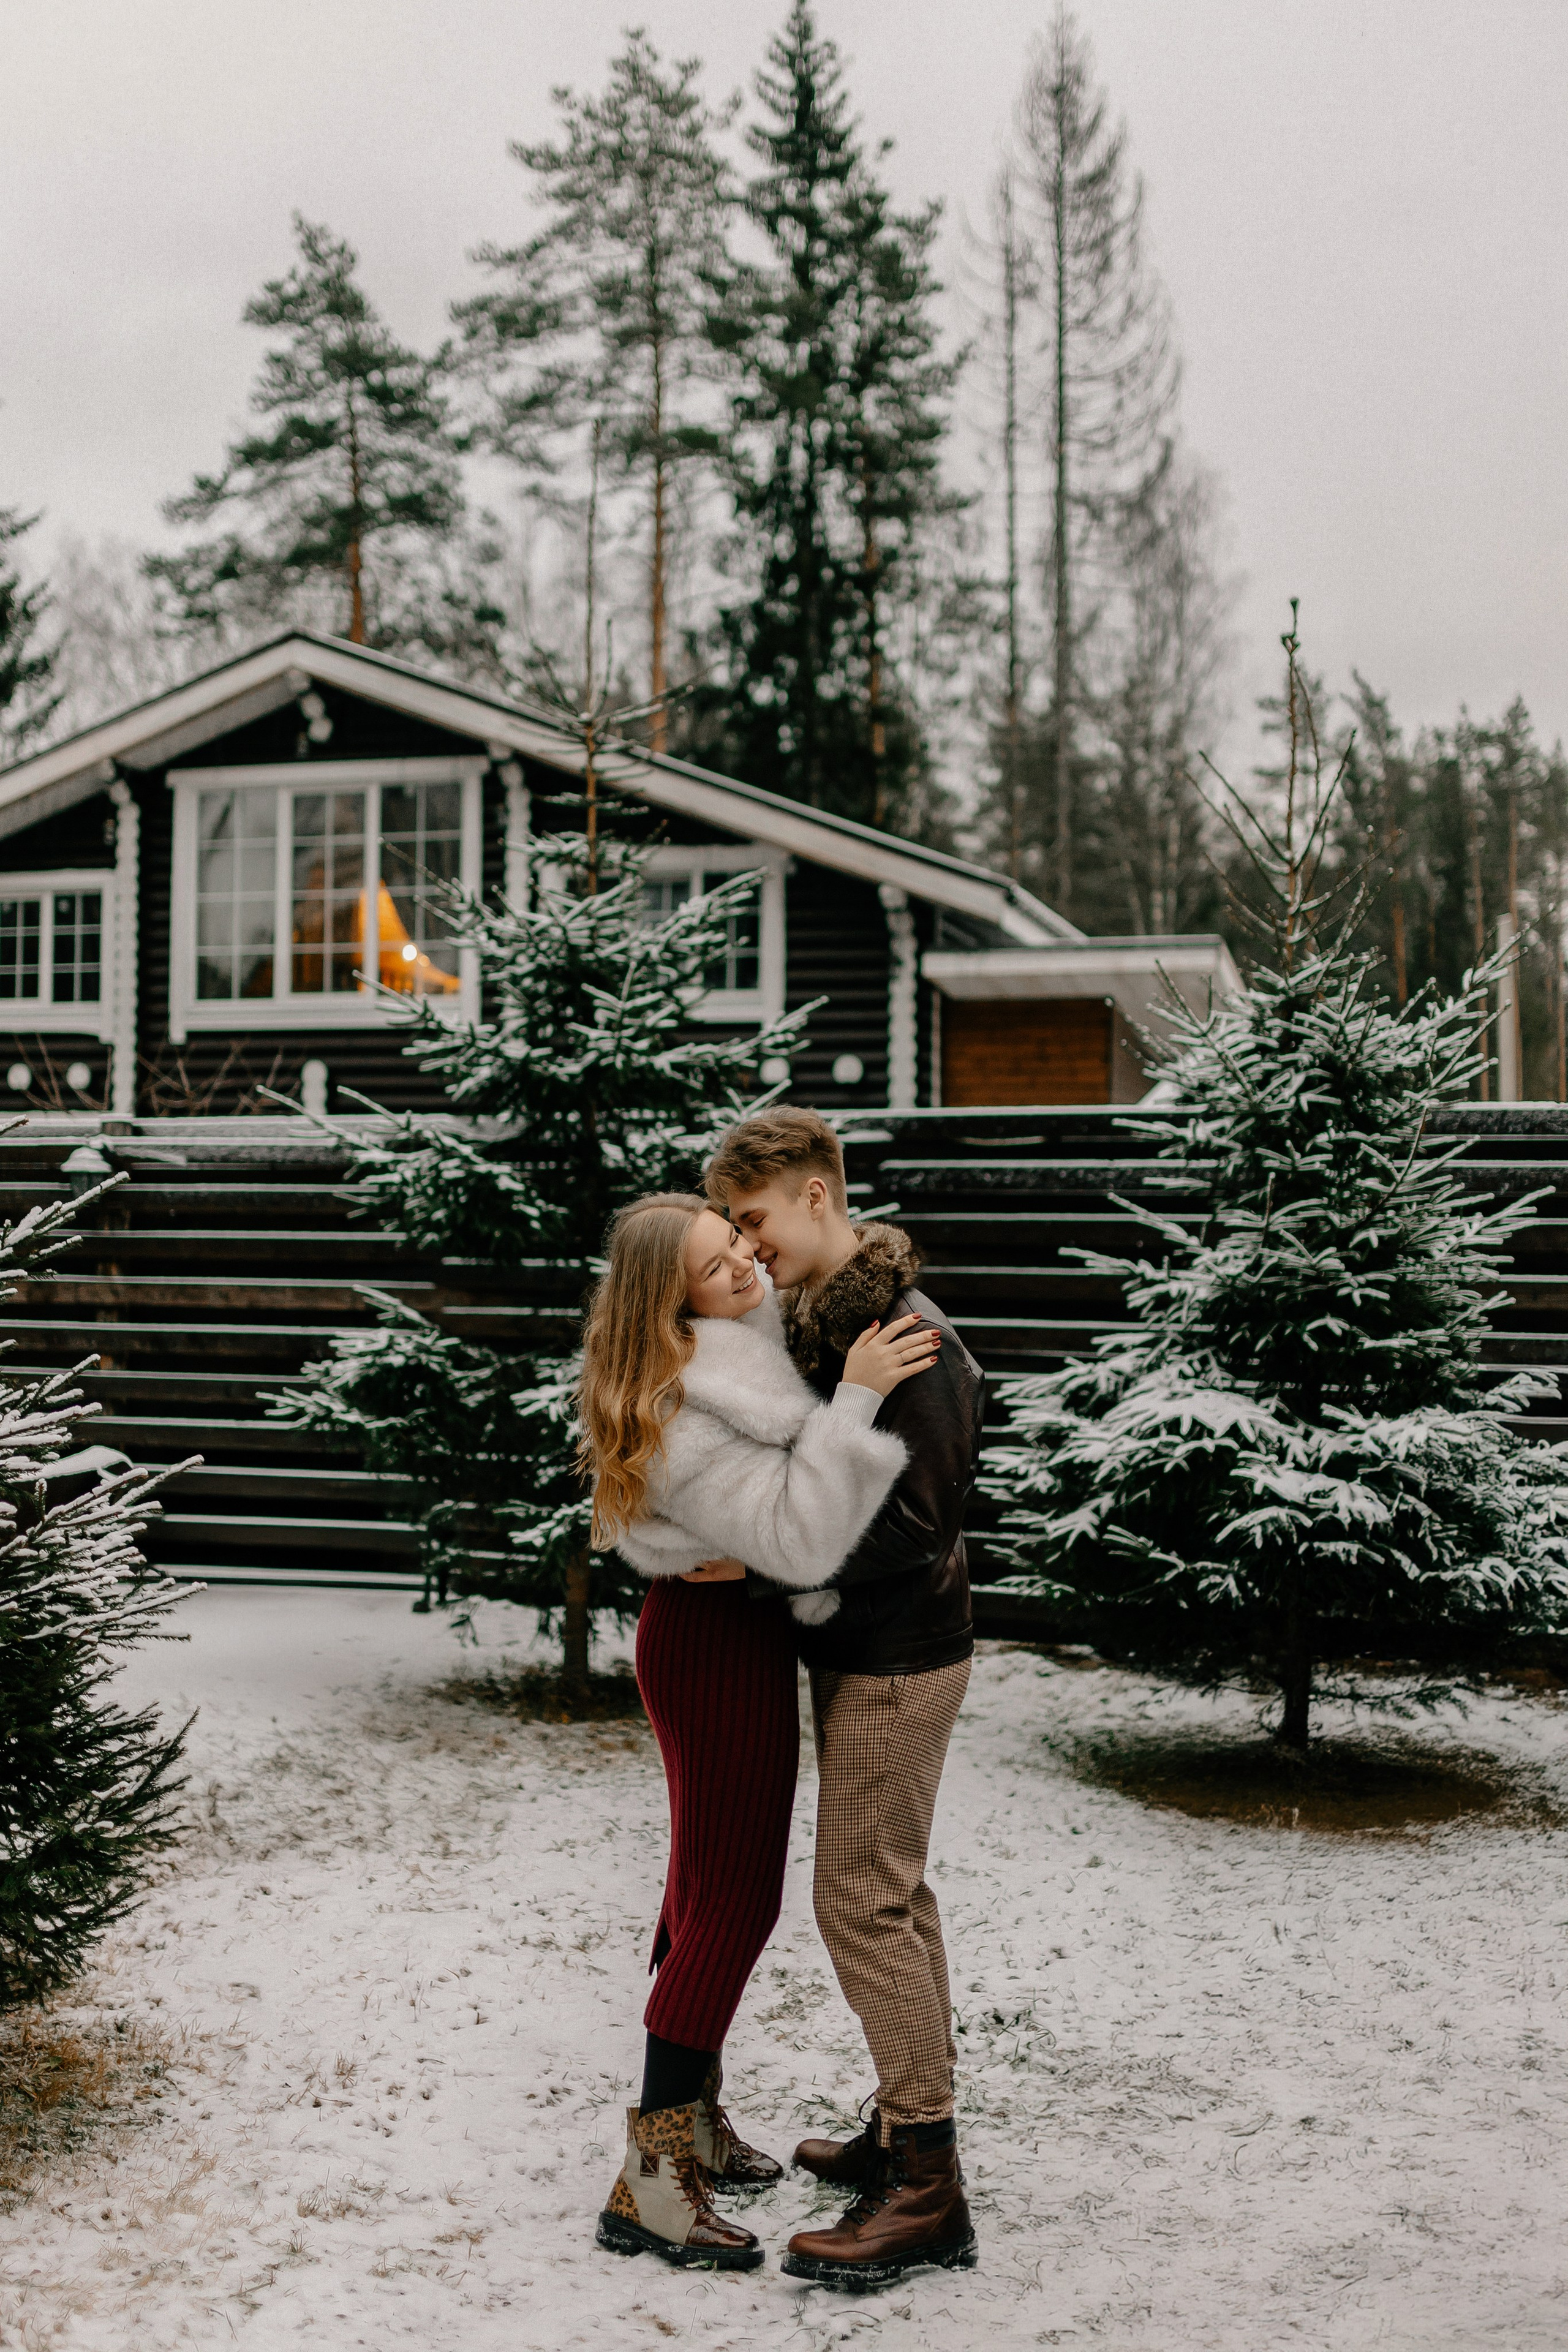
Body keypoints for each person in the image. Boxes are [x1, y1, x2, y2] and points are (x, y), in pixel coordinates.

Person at [578, 1189, 940, 2272]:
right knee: (737, 1903)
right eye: (712, 1257)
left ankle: (686, 2126)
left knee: (701, 1888)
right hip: (713, 1648)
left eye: (736, 1235)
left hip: (718, 1637)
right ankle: (648, 2186)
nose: (741, 1258)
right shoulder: (689, 1396)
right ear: (668, 1297)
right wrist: (859, 1401)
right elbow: (801, 1530)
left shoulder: (725, 1347)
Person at [703, 1108, 985, 2290]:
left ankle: (929, 2189)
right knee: (896, 1899)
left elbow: (919, 1524)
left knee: (860, 1905)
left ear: (816, 1197)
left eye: (755, 1220)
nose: (748, 1245)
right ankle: (903, 2130)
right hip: (873, 1653)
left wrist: (769, 1553)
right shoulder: (833, 1324)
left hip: (897, 1660)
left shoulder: (902, 1334)